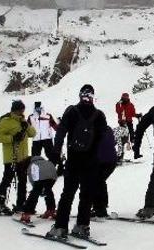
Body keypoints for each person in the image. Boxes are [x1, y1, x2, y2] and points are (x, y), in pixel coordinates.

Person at [50, 84, 110, 239]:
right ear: (92, 97)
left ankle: (60, 227)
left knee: (68, 194)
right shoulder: (99, 115)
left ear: (80, 95)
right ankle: (82, 226)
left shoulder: (72, 111)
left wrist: (56, 152)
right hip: (92, 162)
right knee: (86, 195)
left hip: (74, 160)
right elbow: (105, 139)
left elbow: (61, 131)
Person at [0, 100, 34, 215]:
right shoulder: (6, 121)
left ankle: (21, 204)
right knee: (7, 180)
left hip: (23, 157)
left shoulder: (22, 120)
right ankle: (0, 203)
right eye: (21, 110)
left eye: (23, 110)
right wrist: (12, 138)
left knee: (22, 181)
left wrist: (26, 125)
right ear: (15, 110)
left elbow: (33, 133)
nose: (22, 112)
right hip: (11, 157)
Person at [17, 154, 58, 224]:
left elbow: (32, 179)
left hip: (40, 178)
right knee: (48, 191)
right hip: (52, 177)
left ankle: (26, 214)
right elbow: (54, 172)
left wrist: (36, 189)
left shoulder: (32, 165)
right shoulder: (46, 162)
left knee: (34, 193)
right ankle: (51, 210)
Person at [91, 125, 119, 219]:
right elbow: (113, 142)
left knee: (97, 182)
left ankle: (99, 209)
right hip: (111, 161)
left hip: (102, 161)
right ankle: (101, 205)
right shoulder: (108, 128)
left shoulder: (93, 130)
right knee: (100, 182)